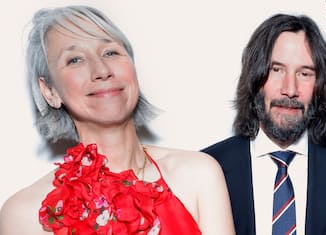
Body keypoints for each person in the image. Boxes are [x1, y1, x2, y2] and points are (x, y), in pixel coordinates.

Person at [0, 5, 235, 235]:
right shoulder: (25, 214)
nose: (101, 70)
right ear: (50, 91)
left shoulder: (199, 174)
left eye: (110, 52)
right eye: (75, 60)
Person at [202, 13, 326, 235]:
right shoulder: (209, 170)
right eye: (276, 69)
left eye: (304, 73)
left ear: (319, 86)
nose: (290, 89)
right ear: (256, 78)